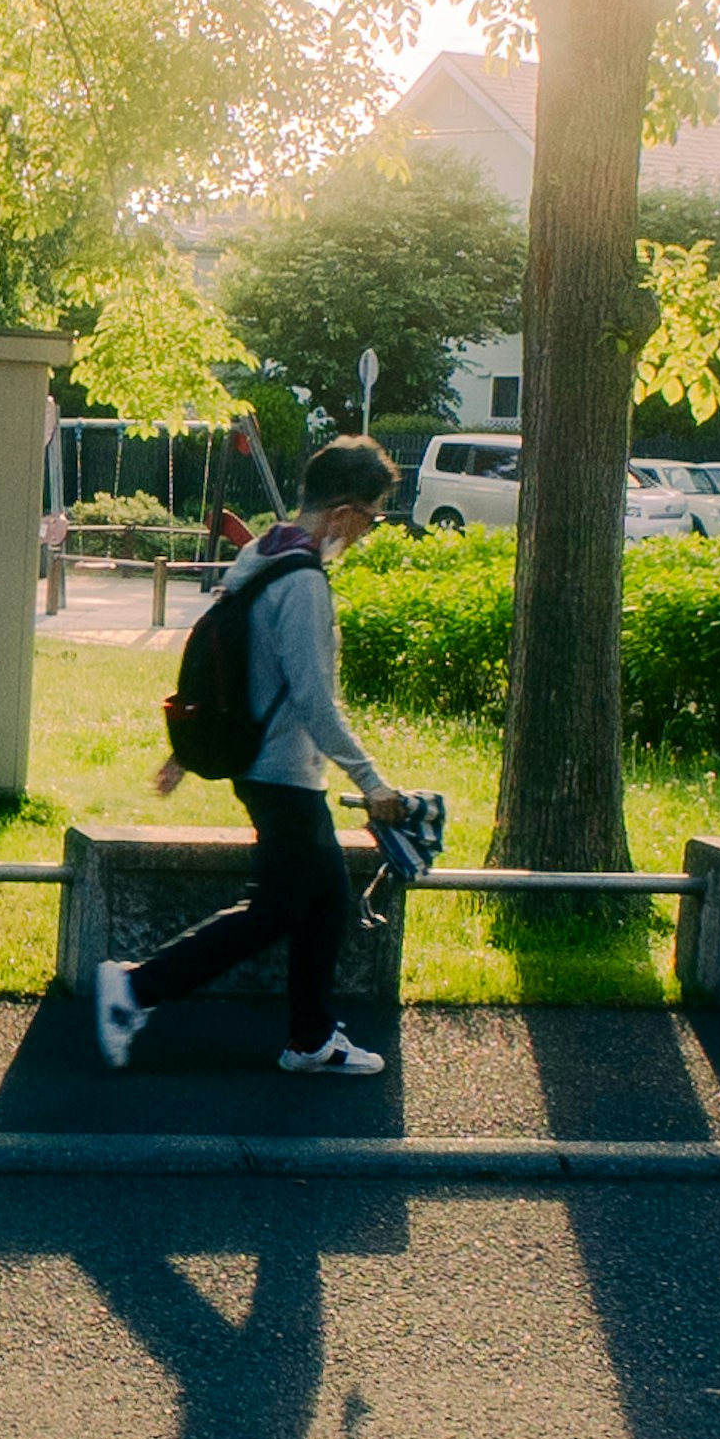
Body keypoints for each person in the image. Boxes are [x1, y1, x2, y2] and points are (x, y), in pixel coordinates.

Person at [92, 435, 417, 1081]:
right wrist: (372, 780)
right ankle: (132, 991)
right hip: (282, 772)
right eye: (374, 517)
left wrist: (187, 750)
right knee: (274, 908)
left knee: (323, 898)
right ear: (347, 511)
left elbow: (231, 659)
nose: (370, 532)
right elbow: (315, 700)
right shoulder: (303, 583)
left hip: (263, 763)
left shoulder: (262, 550)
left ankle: (312, 1037)